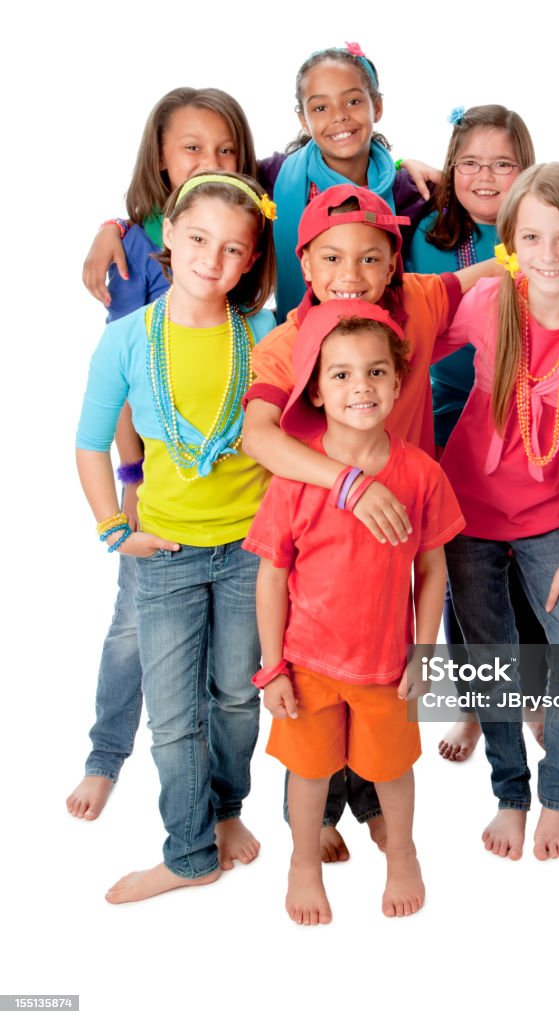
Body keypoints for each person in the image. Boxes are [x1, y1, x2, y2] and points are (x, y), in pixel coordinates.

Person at [242, 182, 488, 861]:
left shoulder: (419, 304)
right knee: (312, 709)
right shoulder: (288, 341)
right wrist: (346, 484)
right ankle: (311, 821)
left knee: (381, 696)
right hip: (316, 527)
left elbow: (492, 271)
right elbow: (257, 437)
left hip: (399, 528)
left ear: (393, 264)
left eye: (370, 260)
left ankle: (380, 811)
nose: (349, 276)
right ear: (306, 264)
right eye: (329, 260)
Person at [75, 172, 276, 903]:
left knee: (234, 698)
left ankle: (226, 812)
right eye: (197, 240)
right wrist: (112, 528)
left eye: (231, 249)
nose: (211, 259)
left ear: (250, 259)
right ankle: (188, 852)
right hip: (164, 556)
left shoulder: (263, 334)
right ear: (167, 235)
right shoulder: (130, 338)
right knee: (170, 717)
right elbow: (91, 442)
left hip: (250, 554)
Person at [437, 163, 559, 861]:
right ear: (510, 241)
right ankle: (510, 794)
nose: (548, 255)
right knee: (490, 659)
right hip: (465, 510)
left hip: (553, 511)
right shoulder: (491, 300)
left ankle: (558, 799)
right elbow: (414, 348)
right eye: (531, 237)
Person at [244, 300, 464, 923]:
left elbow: (434, 570)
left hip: (386, 667)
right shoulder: (296, 478)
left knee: (392, 771)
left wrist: (424, 652)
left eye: (374, 372)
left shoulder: (421, 475)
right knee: (309, 774)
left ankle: (403, 855)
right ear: (315, 388)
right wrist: (272, 667)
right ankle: (302, 864)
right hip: (307, 664)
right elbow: (271, 577)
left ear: (398, 383)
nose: (359, 387)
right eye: (340, 374)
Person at [82, 44, 433, 323]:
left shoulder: (404, 189)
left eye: (354, 101)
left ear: (377, 106)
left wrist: (408, 165)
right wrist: (114, 227)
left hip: (377, 353)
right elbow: (197, 205)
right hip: (292, 337)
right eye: (321, 107)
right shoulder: (275, 179)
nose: (339, 115)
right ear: (303, 118)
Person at [406, 103, 547, 763]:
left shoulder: (543, 231)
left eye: (502, 164)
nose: (485, 177)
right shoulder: (425, 232)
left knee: (527, 565)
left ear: (526, 170)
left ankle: (538, 692)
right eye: (469, 163)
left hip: (527, 419)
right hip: (445, 416)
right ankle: (474, 701)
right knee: (464, 570)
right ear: (450, 168)